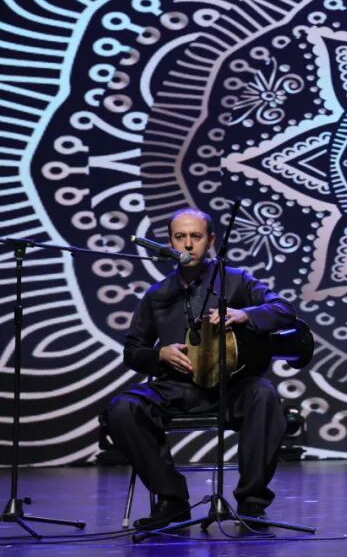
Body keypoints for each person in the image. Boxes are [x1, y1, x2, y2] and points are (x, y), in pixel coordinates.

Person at [105, 207, 295, 530]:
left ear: (211, 240)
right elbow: (132, 352)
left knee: (264, 395)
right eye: (180, 237)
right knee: (123, 409)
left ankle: (251, 502)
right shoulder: (157, 295)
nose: (188, 244)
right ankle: (173, 500)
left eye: (196, 236)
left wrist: (245, 315)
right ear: (170, 242)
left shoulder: (235, 280)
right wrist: (160, 354)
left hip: (231, 387)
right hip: (177, 387)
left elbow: (284, 310)